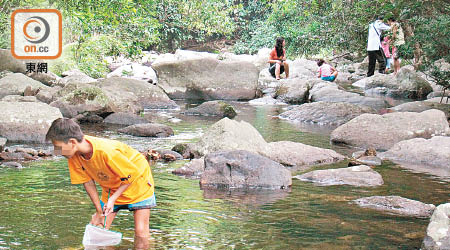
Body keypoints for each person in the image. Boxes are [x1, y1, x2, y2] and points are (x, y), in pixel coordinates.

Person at [45, 118, 155, 247]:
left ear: (72, 142)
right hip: (112, 183)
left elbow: (130, 176)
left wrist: (113, 199)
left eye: (57, 147)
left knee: (141, 233)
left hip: (137, 181)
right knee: (99, 228)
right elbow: (87, 182)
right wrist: (99, 210)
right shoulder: (73, 155)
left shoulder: (106, 151)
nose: (56, 151)